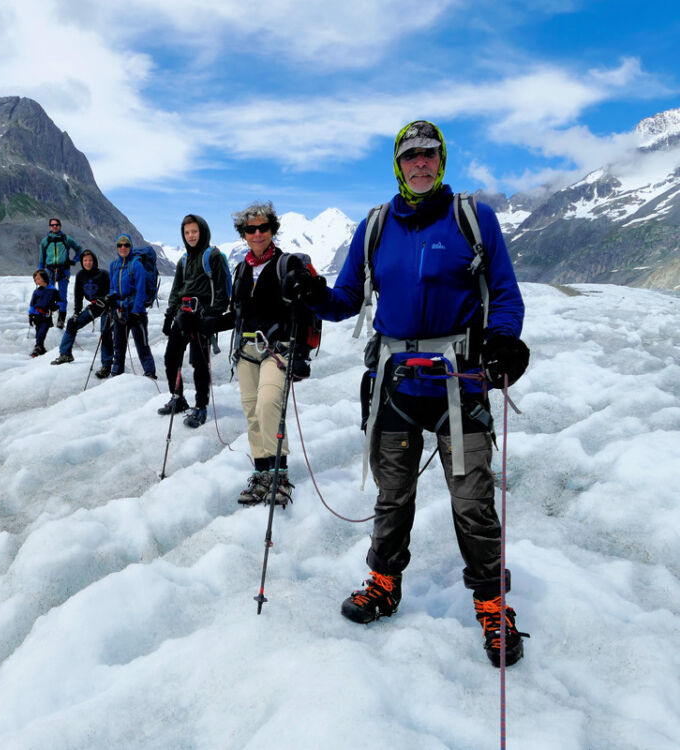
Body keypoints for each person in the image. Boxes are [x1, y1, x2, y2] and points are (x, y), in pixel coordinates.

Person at [289, 119, 531, 667]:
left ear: (441, 160)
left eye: (429, 154)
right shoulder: (375, 226)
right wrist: (312, 294)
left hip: (460, 383)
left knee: (472, 499)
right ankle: (384, 582)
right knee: (392, 495)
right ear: (397, 164)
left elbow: (507, 295)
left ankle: (492, 604)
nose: (420, 164)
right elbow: (346, 299)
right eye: (410, 156)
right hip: (396, 384)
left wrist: (504, 343)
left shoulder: (473, 219)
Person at [214, 202, 312, 507]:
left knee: (268, 405)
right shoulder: (241, 268)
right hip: (246, 351)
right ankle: (261, 472)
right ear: (243, 234)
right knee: (251, 411)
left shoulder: (287, 265)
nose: (257, 234)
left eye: (263, 228)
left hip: (277, 350)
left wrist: (303, 354)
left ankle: (278, 474)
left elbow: (305, 311)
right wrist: (208, 323)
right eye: (250, 229)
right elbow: (238, 313)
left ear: (273, 230)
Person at [159, 214, 231, 428]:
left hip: (202, 318)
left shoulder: (214, 256)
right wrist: (169, 315)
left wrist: (210, 315)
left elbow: (222, 294)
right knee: (171, 357)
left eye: (194, 231)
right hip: (183, 315)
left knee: (200, 364)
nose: (190, 236)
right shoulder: (183, 260)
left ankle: (201, 407)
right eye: (187, 232)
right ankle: (178, 398)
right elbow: (176, 290)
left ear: (202, 231)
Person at [50, 249, 114, 377]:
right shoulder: (80, 275)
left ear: (94, 261)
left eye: (90, 260)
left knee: (106, 333)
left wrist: (108, 300)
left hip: (108, 308)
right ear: (82, 262)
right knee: (72, 323)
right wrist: (77, 312)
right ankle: (65, 354)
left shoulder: (104, 274)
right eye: (85, 260)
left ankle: (106, 365)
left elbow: (113, 290)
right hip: (95, 306)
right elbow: (78, 295)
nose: (88, 262)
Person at [108, 234, 157, 379]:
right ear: (117, 247)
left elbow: (141, 291)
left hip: (137, 313)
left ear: (130, 247)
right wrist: (113, 299)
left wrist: (135, 311)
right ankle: (117, 373)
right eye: (120, 245)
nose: (123, 248)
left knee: (142, 346)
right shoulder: (113, 265)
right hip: (120, 311)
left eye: (126, 245)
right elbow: (112, 287)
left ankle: (150, 374)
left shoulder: (136, 264)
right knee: (119, 346)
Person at [39, 217, 83, 329]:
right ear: (50, 227)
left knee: (62, 297)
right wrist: (40, 272)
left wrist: (75, 260)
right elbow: (41, 257)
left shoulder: (66, 239)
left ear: (60, 226)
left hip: (63, 271)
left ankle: (61, 320)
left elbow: (79, 249)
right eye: (52, 225)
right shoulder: (45, 241)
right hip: (49, 271)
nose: (55, 226)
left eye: (57, 224)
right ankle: (48, 319)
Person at [28, 268, 60, 358]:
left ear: (44, 278)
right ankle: (41, 348)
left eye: (38, 279)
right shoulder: (36, 292)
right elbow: (32, 304)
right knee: (38, 333)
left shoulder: (53, 291)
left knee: (42, 333)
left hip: (46, 316)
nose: (37, 281)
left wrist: (55, 306)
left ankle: (37, 348)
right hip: (37, 316)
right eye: (35, 280)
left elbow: (60, 301)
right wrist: (31, 315)